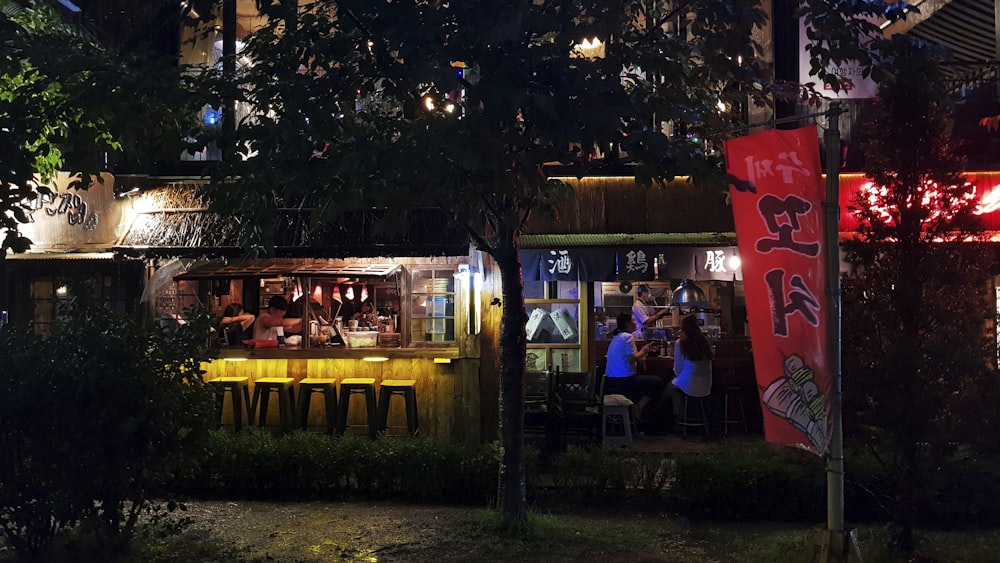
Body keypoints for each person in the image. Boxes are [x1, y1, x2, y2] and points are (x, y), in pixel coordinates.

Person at [604, 312, 666, 423]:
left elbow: (628, 357)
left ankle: (634, 410)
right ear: (627, 324)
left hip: (610, 380)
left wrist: (640, 358)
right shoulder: (628, 337)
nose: (635, 323)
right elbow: (631, 359)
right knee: (658, 383)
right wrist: (644, 351)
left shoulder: (617, 337)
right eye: (633, 320)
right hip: (624, 381)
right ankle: (638, 408)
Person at [671, 313, 714, 420]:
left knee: (669, 388)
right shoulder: (704, 341)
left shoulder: (680, 343)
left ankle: (678, 419)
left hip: (689, 385)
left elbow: (677, 370)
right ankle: (696, 419)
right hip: (706, 385)